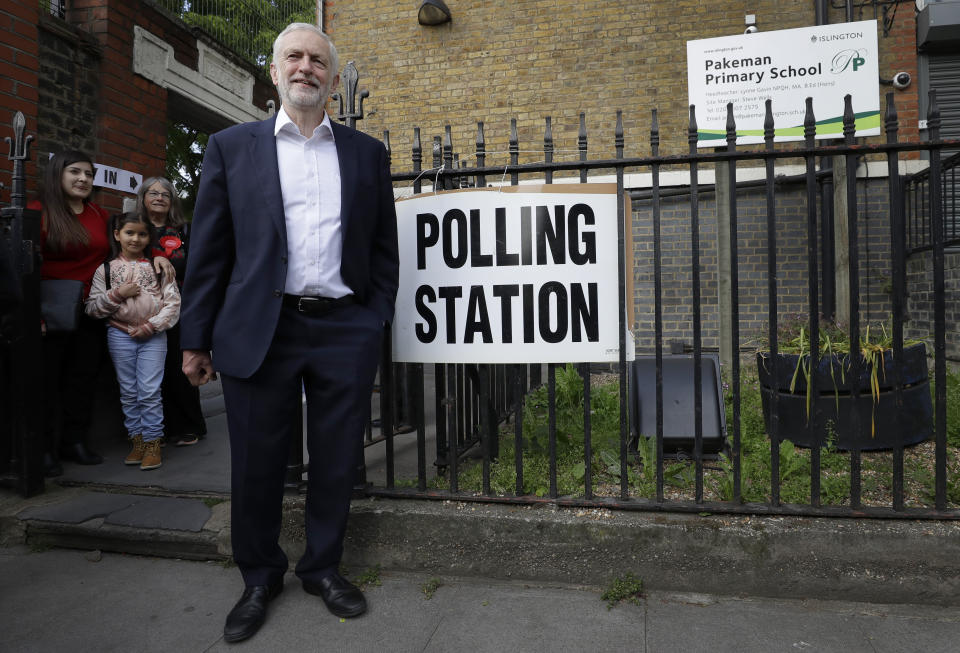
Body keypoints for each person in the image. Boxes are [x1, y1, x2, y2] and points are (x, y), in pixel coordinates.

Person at [179, 23, 398, 644]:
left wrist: (372, 317)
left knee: (336, 460)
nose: (306, 67)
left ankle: (323, 568)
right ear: (274, 72)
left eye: (318, 60)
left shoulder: (366, 154)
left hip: (342, 328)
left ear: (332, 77)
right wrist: (196, 339)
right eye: (293, 57)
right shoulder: (229, 147)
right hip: (260, 330)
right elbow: (209, 254)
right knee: (255, 462)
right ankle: (258, 577)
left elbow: (384, 249)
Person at [29, 151, 172, 477]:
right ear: (57, 174)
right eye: (74, 172)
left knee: (82, 379)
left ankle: (74, 441)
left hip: (94, 308)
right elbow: (23, 266)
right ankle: (44, 449)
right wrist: (32, 312)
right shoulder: (39, 211)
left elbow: (128, 243)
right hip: (51, 309)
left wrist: (159, 255)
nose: (83, 179)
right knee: (48, 382)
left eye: (88, 174)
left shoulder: (96, 213)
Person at [85, 213, 181, 470]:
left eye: (142, 234)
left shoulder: (159, 267)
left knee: (149, 391)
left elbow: (173, 304)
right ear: (117, 235)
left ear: (149, 237)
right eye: (129, 233)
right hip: (119, 334)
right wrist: (118, 294)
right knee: (128, 391)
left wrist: (151, 326)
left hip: (154, 336)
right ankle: (137, 440)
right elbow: (92, 308)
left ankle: (152, 442)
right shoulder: (104, 270)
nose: (135, 238)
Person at [138, 177, 207, 447]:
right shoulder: (133, 226)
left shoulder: (183, 230)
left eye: (165, 194)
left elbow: (196, 266)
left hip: (180, 306)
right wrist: (152, 258)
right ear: (142, 197)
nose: (159, 197)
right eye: (152, 193)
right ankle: (158, 429)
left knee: (181, 365)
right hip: (143, 308)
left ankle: (189, 426)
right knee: (152, 370)